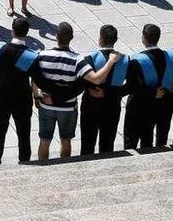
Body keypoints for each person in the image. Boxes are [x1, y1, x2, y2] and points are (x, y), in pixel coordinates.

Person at [34, 22, 119, 159]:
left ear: (56, 37)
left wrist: (36, 95)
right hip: (68, 108)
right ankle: (64, 166)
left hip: (46, 105)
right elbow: (96, 79)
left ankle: (42, 167)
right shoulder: (77, 59)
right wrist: (111, 61)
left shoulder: (42, 55)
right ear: (72, 38)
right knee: (66, 141)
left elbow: (33, 76)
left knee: (44, 141)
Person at [0, 17, 37, 164]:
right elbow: (36, 78)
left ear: (12, 31)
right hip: (22, 99)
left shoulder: (1, 49)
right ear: (27, 34)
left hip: (2, 98)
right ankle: (25, 162)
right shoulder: (31, 55)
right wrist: (37, 96)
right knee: (24, 135)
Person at [124, 24, 173, 149]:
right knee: (148, 142)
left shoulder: (136, 60)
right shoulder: (170, 57)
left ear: (144, 38)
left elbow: (132, 86)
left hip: (138, 106)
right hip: (159, 105)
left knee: (131, 142)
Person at [78, 25, 126, 155]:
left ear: (100, 38)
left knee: (87, 144)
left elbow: (81, 81)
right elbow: (132, 85)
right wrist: (110, 94)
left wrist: (91, 90)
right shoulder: (125, 60)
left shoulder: (90, 58)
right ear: (115, 40)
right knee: (107, 144)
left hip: (90, 106)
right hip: (112, 106)